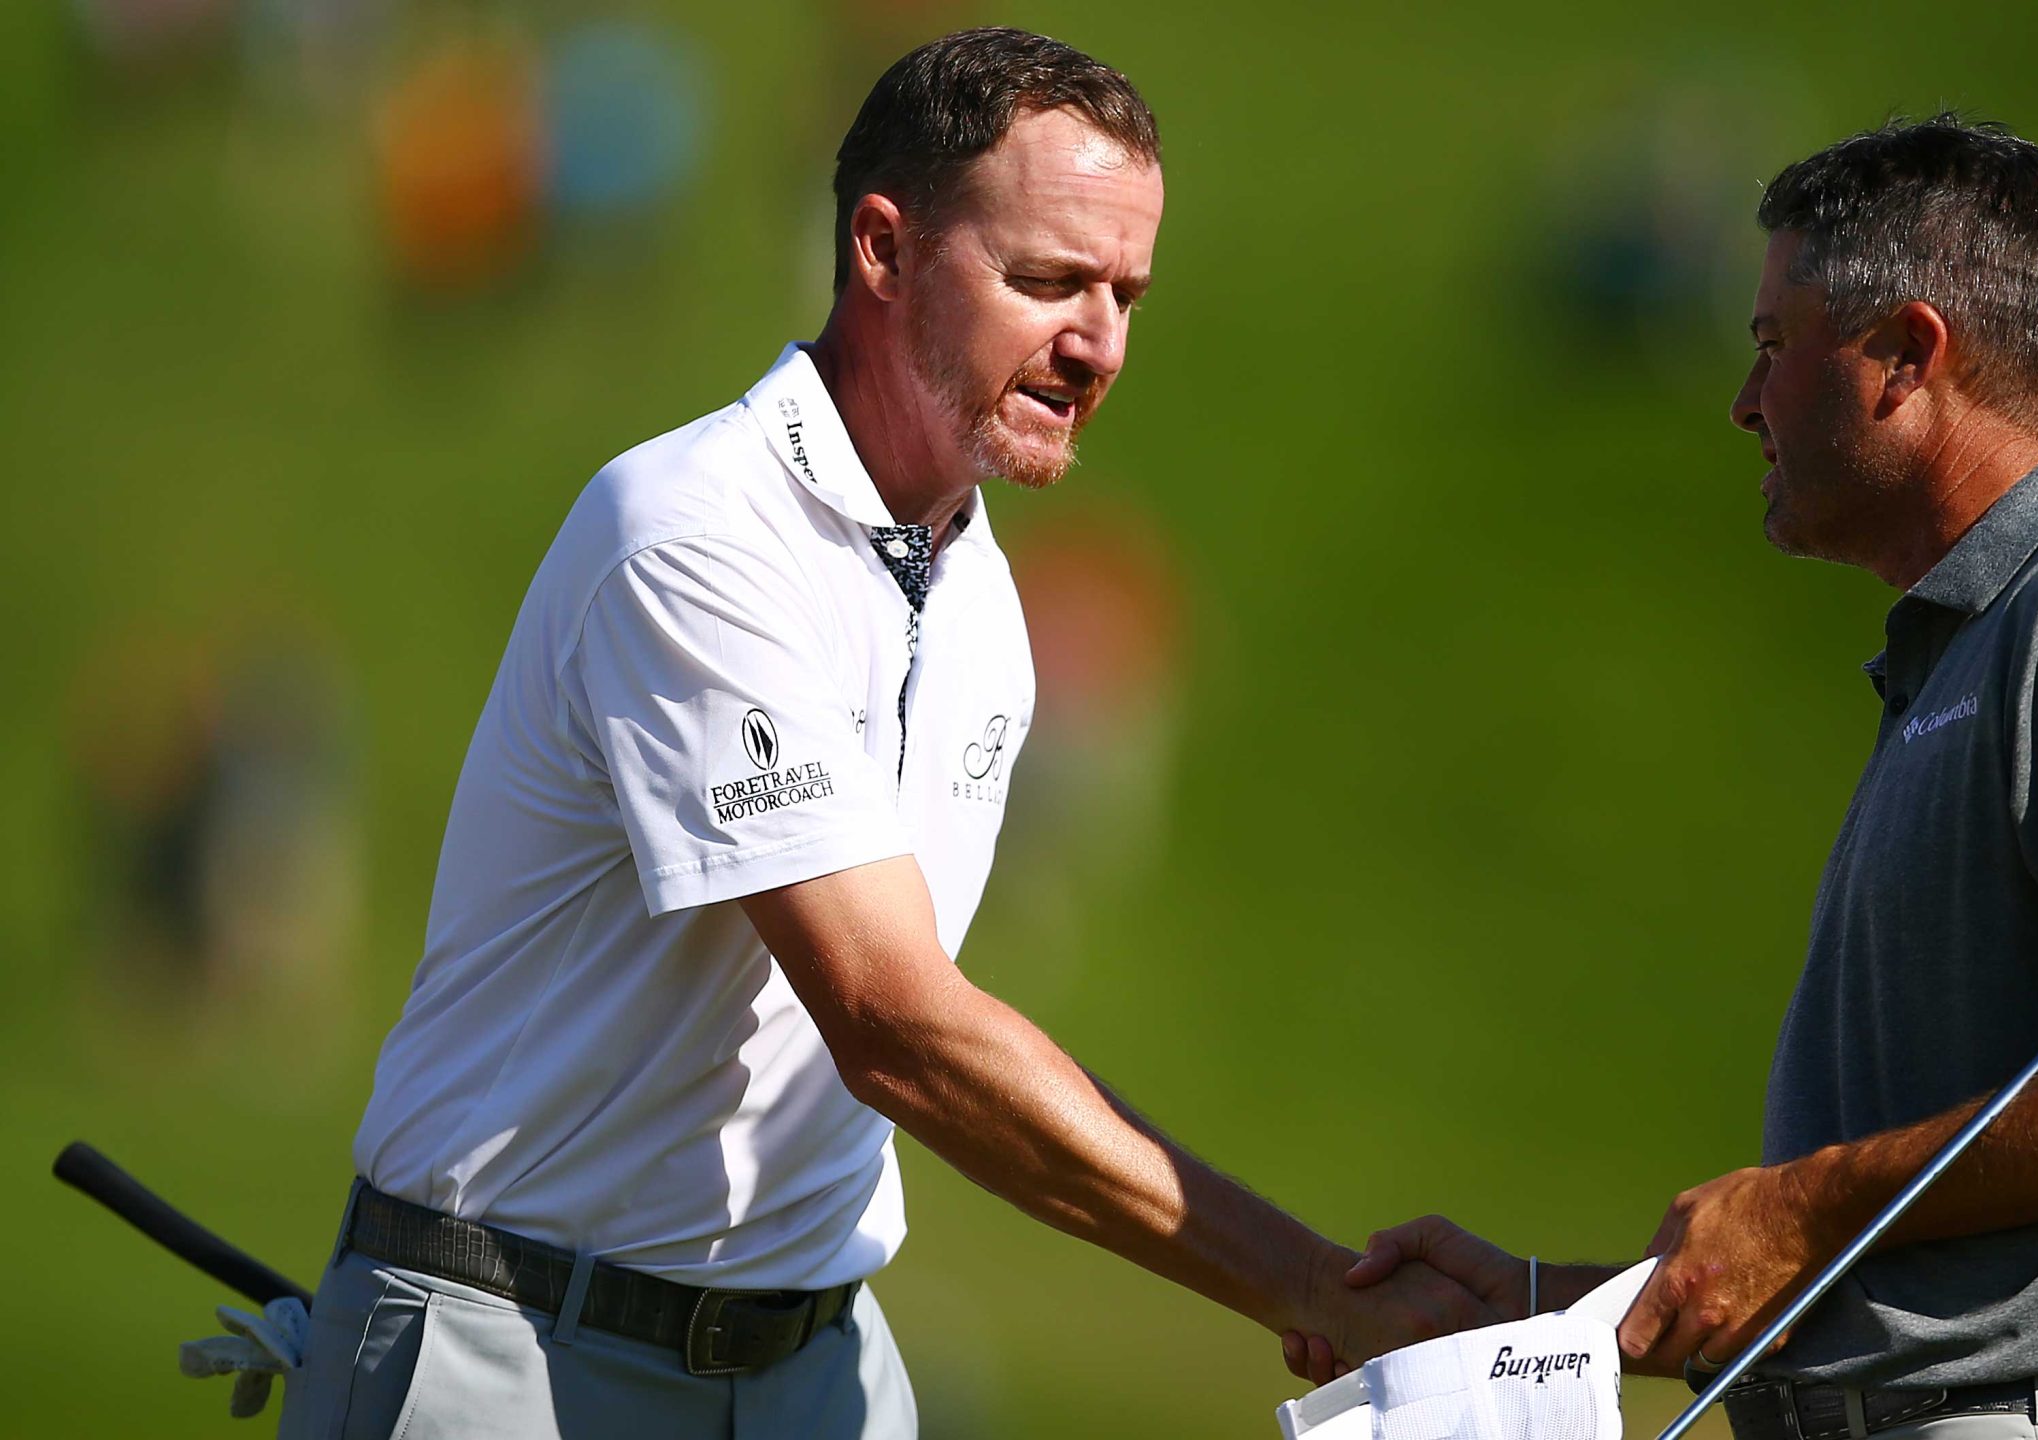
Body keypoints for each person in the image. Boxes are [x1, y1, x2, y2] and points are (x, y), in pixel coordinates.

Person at [277, 28, 1490, 1440]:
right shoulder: (692, 536)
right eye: (1048, 280)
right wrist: (1309, 1284)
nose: (1098, 341)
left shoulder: (975, 588)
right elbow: (895, 1025)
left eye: (1124, 294)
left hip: (818, 1364)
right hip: (518, 1349)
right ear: (883, 250)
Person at [1304, 116, 2038, 1439]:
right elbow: (1898, 1259)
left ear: (1908, 354)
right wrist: (1560, 1311)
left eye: (1774, 346)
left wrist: (1802, 1203)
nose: (1744, 401)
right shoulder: (1972, 650)